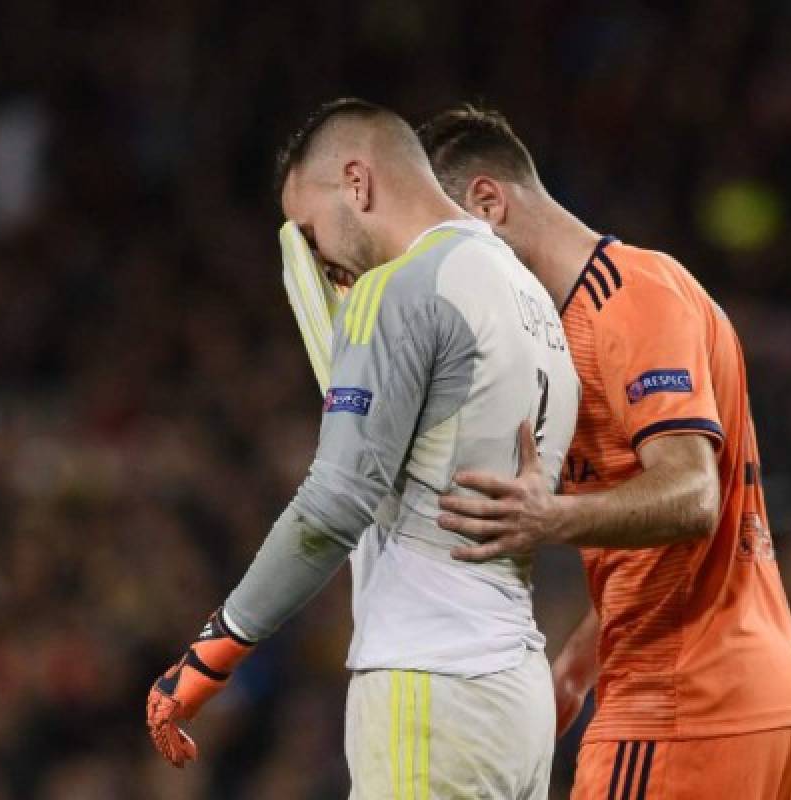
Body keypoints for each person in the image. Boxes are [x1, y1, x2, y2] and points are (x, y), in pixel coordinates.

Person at [145, 98, 579, 800]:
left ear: (358, 183)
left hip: (430, 683)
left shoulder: (399, 289)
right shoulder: (530, 296)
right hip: (514, 693)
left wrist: (213, 652)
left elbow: (336, 502)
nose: (319, 259)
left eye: (310, 231)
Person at [419, 106, 791, 800]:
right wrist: (576, 671)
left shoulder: (628, 297)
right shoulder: (571, 330)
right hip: (736, 697)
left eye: (441, 251)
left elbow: (693, 495)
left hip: (680, 705)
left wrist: (547, 520)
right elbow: (657, 554)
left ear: (488, 203)